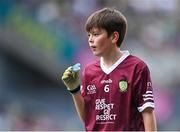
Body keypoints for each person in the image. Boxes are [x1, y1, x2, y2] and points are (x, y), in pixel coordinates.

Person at [61, 7, 157, 131]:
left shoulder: (137, 67)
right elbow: (88, 118)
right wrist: (74, 90)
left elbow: (147, 112)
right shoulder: (89, 71)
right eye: (89, 35)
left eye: (95, 34)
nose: (90, 39)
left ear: (114, 37)